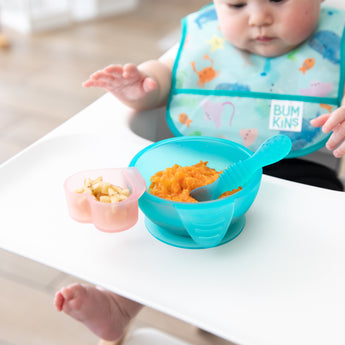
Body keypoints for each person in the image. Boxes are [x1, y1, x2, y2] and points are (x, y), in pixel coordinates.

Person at [54, 0, 345, 342]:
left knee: (304, 248)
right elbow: (163, 78)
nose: (259, 18)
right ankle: (120, 303)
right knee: (166, 225)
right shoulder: (206, 34)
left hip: (299, 171)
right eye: (236, 4)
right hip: (208, 168)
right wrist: (139, 88)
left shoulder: (336, 36)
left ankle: (278, 317)